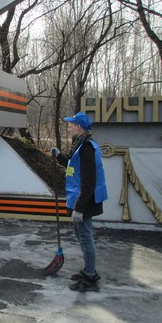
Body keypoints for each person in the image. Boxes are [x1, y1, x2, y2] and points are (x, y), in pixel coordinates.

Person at [51, 112, 108, 292]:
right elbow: (73, 167)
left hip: (84, 201)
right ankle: (88, 270)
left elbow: (89, 183)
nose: (68, 127)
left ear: (79, 127)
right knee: (81, 235)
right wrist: (59, 156)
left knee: (85, 237)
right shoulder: (81, 145)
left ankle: (90, 277)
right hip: (79, 198)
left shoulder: (86, 148)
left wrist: (79, 209)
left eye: (71, 124)